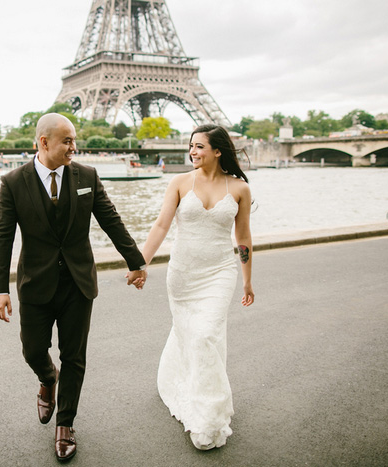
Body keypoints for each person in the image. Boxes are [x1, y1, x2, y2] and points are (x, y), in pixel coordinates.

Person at [0, 113, 147, 461]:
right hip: (35, 283)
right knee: (32, 350)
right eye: (67, 141)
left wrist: (135, 260)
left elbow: (110, 219)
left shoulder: (86, 176)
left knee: (74, 357)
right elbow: (2, 236)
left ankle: (65, 425)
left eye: (74, 140)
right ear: (44, 143)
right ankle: (48, 379)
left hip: (78, 282)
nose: (74, 147)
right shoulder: (13, 181)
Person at [140, 123, 254, 450]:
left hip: (219, 272)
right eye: (191, 146)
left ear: (218, 151)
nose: (192, 151)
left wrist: (247, 279)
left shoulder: (240, 189)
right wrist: (141, 263)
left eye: (199, 146)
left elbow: (242, 237)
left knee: (206, 334)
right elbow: (162, 224)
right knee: (190, 332)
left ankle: (210, 413)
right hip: (184, 275)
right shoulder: (178, 182)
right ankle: (188, 385)